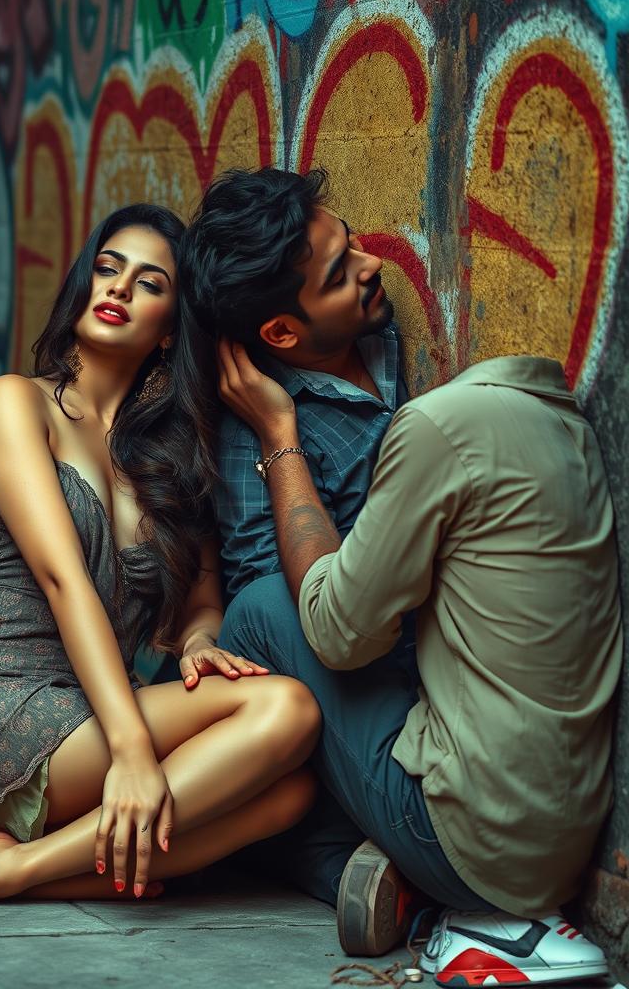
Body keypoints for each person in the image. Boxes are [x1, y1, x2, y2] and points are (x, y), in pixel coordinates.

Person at [0, 204, 320, 904]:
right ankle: (18, 870)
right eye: (108, 268)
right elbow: (63, 579)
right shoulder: (16, 403)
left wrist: (196, 642)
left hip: (92, 710)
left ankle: (20, 868)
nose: (119, 289)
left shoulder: (169, 454)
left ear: (169, 331)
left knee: (291, 797)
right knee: (288, 712)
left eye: (149, 283)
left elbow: (200, 599)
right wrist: (132, 749)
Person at [214, 332, 620, 980]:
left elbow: (336, 631)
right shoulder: (556, 418)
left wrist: (279, 439)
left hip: (472, 844)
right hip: (563, 838)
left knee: (262, 609)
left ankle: (429, 902)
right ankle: (412, 886)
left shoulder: (437, 425)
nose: (368, 264)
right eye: (338, 262)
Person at [180, 166, 414, 952]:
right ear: (281, 333)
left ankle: (321, 850)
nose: (372, 267)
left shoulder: (382, 341)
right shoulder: (258, 429)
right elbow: (270, 611)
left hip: (418, 653)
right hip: (345, 668)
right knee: (265, 611)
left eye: (351, 246)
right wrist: (283, 435)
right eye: (342, 272)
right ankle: (336, 856)